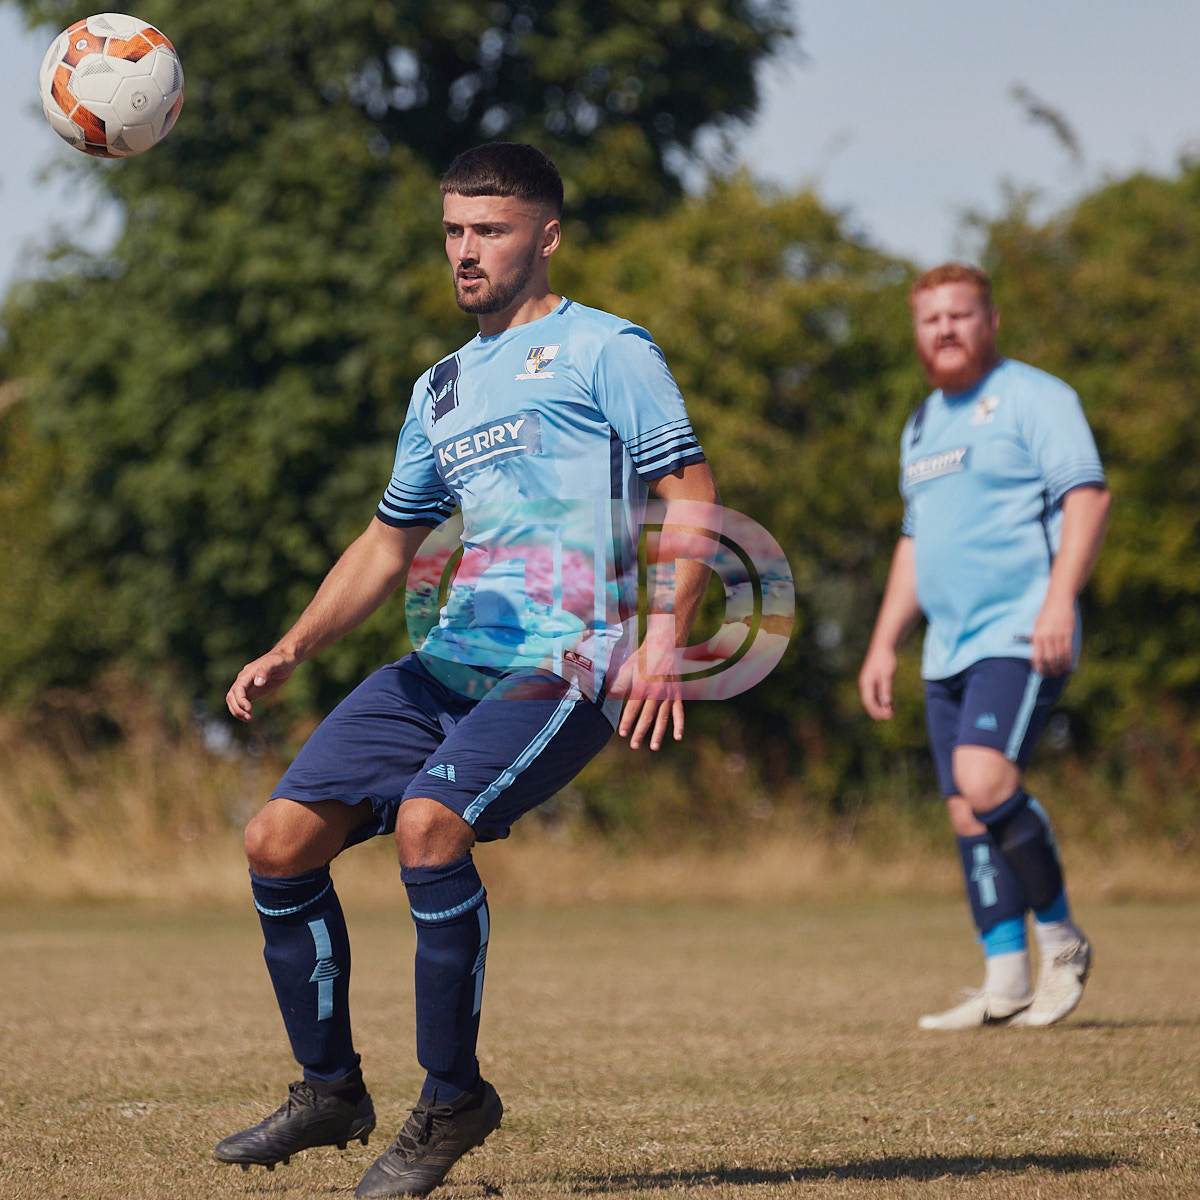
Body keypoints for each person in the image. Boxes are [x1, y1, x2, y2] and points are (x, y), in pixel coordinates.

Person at [213, 142, 719, 1197]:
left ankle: (452, 1098)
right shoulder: (439, 388)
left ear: (548, 235)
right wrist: (293, 646)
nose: (466, 250)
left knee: (429, 824)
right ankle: (331, 1091)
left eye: (490, 229)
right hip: (450, 660)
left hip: (570, 659)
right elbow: (387, 542)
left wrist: (668, 633)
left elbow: (691, 491)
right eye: (453, 230)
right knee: (277, 841)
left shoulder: (607, 349)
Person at [858, 263, 1110, 1031]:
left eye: (960, 315)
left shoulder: (1038, 398)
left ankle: (1063, 943)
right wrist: (883, 644)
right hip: (947, 647)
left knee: (986, 778)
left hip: (1020, 629)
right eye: (931, 318)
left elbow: (1087, 498)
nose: (946, 329)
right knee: (967, 813)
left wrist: (1059, 600)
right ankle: (1004, 979)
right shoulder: (922, 424)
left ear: (990, 322)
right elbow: (916, 541)